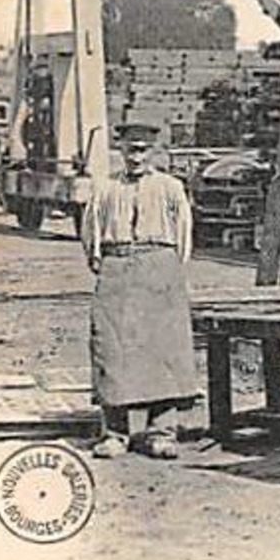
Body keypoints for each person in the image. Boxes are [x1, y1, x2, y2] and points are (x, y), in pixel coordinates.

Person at [82, 123, 197, 460]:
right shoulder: (105, 188)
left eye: (143, 149)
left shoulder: (171, 188)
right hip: (117, 267)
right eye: (131, 149)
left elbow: (184, 233)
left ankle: (161, 432)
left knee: (163, 350)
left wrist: (170, 271)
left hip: (159, 267)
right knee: (111, 348)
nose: (136, 157)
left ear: (154, 152)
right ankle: (115, 433)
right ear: (120, 150)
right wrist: (101, 262)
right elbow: (92, 231)